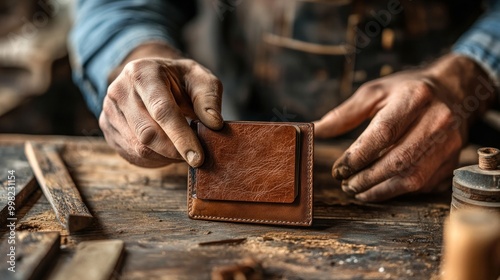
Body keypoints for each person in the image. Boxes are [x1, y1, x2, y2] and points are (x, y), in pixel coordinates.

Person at [69, 0, 499, 202]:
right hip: (231, 150)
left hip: (449, 152)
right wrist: (136, 57)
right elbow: (115, 7)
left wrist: (469, 74)